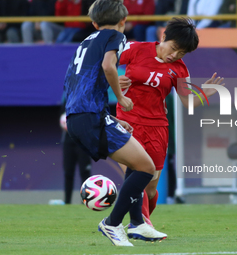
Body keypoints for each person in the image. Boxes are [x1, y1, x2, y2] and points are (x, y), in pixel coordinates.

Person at [64, 0, 166, 246]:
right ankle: (111, 224)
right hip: (91, 117)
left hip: (80, 116)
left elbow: (76, 83)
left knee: (137, 162)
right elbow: (109, 66)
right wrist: (120, 98)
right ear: (124, 20)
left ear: (94, 23)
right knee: (146, 168)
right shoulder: (116, 37)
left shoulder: (85, 41)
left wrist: (112, 117)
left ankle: (138, 223)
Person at [117, 17, 224, 228]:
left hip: (157, 128)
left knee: (149, 188)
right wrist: (112, 81)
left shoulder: (180, 69)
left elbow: (187, 102)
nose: (175, 55)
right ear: (163, 36)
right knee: (135, 178)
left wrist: (205, 93)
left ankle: (143, 222)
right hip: (126, 123)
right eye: (174, 48)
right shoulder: (135, 49)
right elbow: (102, 66)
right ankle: (141, 226)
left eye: (181, 53)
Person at [59, 93, 92, 204]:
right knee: (68, 172)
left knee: (85, 172)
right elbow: (63, 117)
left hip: (83, 141)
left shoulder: (87, 99)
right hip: (68, 142)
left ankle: (86, 201)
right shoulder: (67, 98)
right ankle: (67, 202)